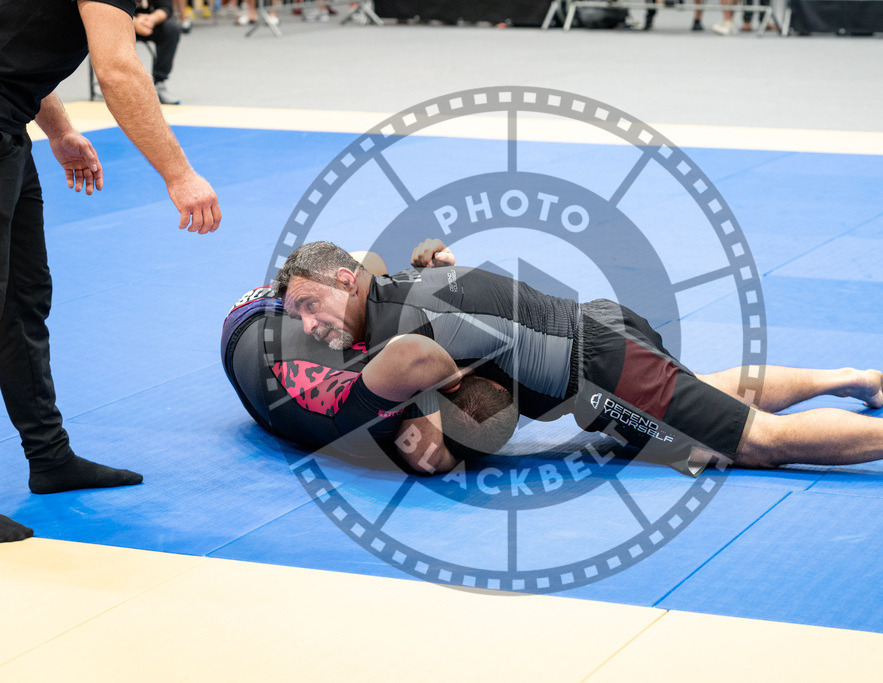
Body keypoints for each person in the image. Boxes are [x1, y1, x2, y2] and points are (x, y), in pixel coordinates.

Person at [271, 240, 883, 480]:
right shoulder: (400, 281)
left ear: (344, 283)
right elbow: (384, 267)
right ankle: (846, 377)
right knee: (706, 394)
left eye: (310, 306)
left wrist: (378, 412)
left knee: (751, 444)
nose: (310, 325)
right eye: (298, 316)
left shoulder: (406, 335)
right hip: (601, 331)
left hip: (604, 370)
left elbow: (431, 429)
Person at [0, 0, 221, 543]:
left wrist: (58, 130)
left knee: (22, 299)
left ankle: (49, 457)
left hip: (11, 124)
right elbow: (117, 69)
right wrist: (179, 173)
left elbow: (14, 49)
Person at [222, 249, 517, 468]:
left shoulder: (398, 370)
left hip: (252, 316)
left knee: (372, 279)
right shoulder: (405, 436)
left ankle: (394, 285)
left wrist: (424, 285)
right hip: (244, 360)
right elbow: (432, 460)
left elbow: (418, 355)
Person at [134, 0, 183, 105]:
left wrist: (152, 19)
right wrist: (133, 22)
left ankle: (159, 83)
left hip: (147, 21)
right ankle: (115, 83)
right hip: (119, 21)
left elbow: (165, 8)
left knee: (171, 29)